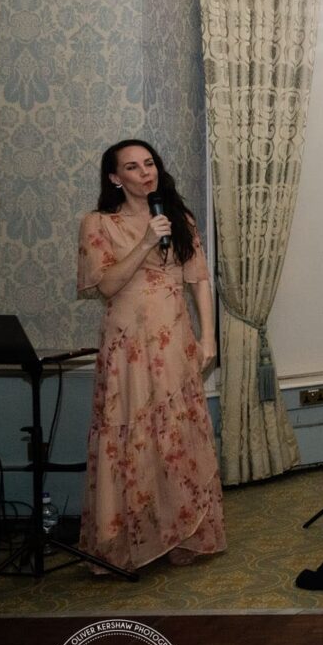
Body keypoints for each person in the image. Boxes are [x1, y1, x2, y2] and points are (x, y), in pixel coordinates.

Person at [76, 139, 226, 572]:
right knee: (129, 434)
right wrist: (144, 241)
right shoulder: (97, 223)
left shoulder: (180, 218)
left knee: (176, 434)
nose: (146, 172)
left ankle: (181, 534)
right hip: (128, 346)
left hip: (174, 340)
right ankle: (126, 541)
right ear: (114, 178)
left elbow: (198, 279)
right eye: (133, 167)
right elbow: (105, 286)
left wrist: (209, 338)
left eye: (149, 163)